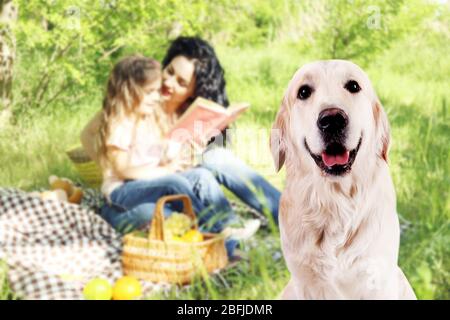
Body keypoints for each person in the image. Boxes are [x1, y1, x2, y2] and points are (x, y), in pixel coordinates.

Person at [92, 55, 243, 241]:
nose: (157, 97)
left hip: (149, 184)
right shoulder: (121, 123)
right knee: (172, 184)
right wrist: (166, 171)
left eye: (157, 91)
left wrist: (181, 156)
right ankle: (209, 228)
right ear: (129, 92)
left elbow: (156, 159)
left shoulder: (149, 119)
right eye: (150, 92)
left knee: (201, 176)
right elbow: (123, 170)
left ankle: (231, 224)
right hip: (122, 191)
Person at [160, 36, 281, 224]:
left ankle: (291, 216)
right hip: (158, 182)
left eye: (181, 82)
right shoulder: (144, 99)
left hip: (188, 180)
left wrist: (194, 154)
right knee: (208, 165)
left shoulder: (189, 112)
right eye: (169, 72)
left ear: (193, 92)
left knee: (215, 157)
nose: (169, 82)